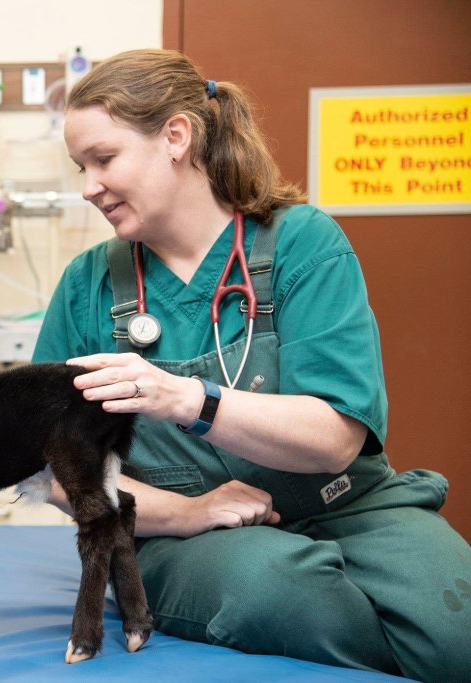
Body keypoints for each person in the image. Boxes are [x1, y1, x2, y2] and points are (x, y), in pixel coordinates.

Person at [35, 48, 471, 682]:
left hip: (351, 507)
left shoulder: (302, 243)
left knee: (459, 634)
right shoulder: (88, 287)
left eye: (104, 159)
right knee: (284, 593)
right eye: (82, 166)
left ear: (176, 137)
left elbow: (335, 440)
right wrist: (186, 513)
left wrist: (185, 398)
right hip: (186, 538)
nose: (88, 187)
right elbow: (55, 473)